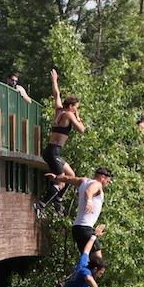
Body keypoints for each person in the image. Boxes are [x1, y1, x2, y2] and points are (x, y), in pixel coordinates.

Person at [36, 68, 86, 213]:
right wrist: (77, 117)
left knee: (71, 176)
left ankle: (58, 199)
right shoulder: (69, 115)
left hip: (52, 150)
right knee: (62, 181)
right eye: (76, 108)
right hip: (54, 152)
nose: (76, 110)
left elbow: (56, 94)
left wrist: (54, 81)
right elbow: (81, 129)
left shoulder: (59, 110)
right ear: (71, 107)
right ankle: (42, 204)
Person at [47, 167, 113, 265]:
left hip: (77, 229)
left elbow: (68, 179)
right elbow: (89, 191)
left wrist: (56, 178)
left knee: (88, 261)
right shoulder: (97, 184)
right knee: (98, 264)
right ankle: (87, 279)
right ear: (102, 177)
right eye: (109, 180)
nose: (110, 183)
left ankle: (83, 277)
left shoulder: (84, 181)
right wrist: (89, 200)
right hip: (85, 229)